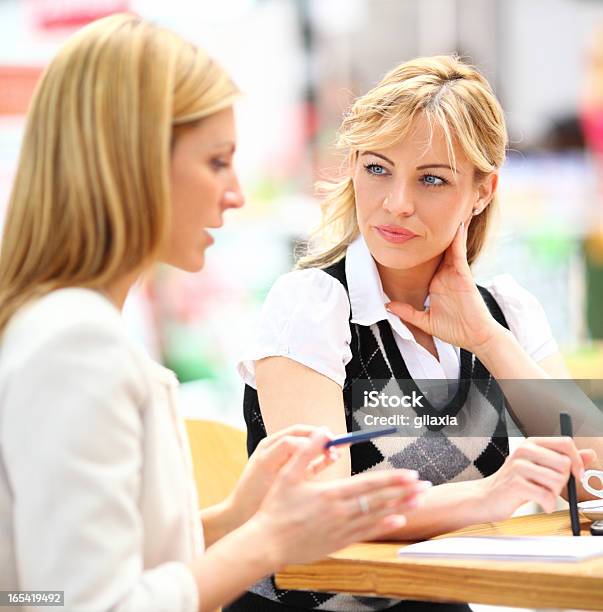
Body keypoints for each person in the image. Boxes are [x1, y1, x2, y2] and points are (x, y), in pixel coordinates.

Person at [0, 14, 429, 612]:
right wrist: (270, 538)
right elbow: (79, 603)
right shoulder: (76, 343)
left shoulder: (66, 328)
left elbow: (64, 580)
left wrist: (237, 517)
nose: (236, 192)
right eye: (216, 162)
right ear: (135, 163)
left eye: (434, 180)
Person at [234, 55, 602, 611]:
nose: (396, 203)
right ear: (352, 164)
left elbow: (593, 473)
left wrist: (485, 336)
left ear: (482, 191)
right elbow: (321, 508)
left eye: (432, 179)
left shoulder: (505, 312)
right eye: (377, 168)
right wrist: (488, 495)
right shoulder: (313, 306)